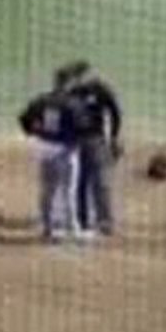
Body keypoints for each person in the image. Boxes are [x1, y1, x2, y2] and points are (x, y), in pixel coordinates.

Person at [54, 61, 123, 237]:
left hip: (96, 139)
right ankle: (82, 219)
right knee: (79, 181)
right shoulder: (70, 92)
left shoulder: (99, 89)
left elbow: (114, 112)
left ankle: (105, 221)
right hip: (75, 140)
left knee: (100, 181)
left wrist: (114, 137)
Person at [18, 87, 86, 242]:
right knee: (68, 190)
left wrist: (35, 133)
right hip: (65, 149)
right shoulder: (71, 103)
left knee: (47, 190)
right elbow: (82, 127)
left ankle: (48, 229)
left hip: (45, 148)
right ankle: (73, 229)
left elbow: (23, 119)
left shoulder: (41, 100)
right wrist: (76, 143)